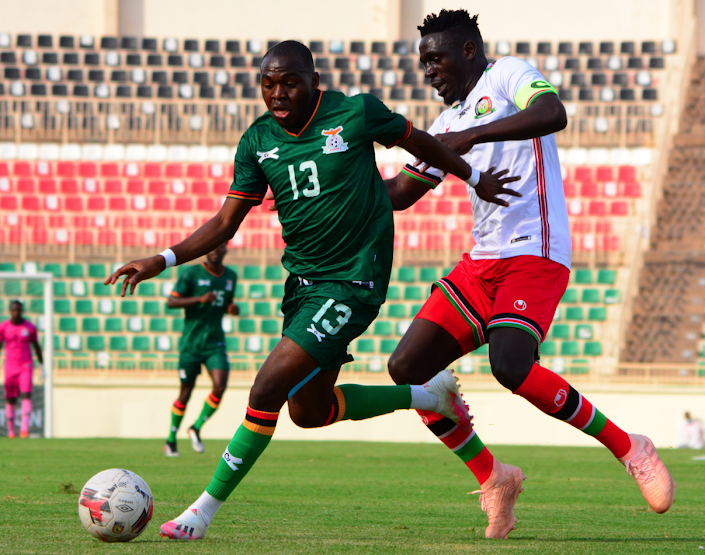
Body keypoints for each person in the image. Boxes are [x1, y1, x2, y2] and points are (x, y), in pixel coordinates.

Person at [105, 40, 521, 541]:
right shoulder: (257, 141)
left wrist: (474, 176)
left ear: (314, 81)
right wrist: (162, 259)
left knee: (265, 389)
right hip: (302, 284)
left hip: (353, 281)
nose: (277, 93)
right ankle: (426, 397)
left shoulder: (355, 112)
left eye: (289, 83)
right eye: (268, 83)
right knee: (310, 411)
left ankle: (200, 514)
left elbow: (422, 143)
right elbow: (224, 222)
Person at [384, 9, 675, 539]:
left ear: (468, 50)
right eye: (423, 62)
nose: (428, 71)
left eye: (436, 58)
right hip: (483, 263)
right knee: (408, 366)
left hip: (537, 252)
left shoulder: (509, 74)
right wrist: (327, 189)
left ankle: (629, 447)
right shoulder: (445, 126)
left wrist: (474, 136)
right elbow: (399, 195)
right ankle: (493, 477)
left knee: (511, 364)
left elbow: (553, 112)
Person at [163, 242, 240, 457]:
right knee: (185, 392)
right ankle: (171, 440)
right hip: (191, 344)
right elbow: (171, 302)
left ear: (225, 249)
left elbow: (226, 302)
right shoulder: (191, 273)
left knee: (220, 385)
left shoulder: (230, 276)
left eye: (219, 247)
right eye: (212, 247)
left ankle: (196, 427)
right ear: (207, 250)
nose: (215, 250)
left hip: (215, 342)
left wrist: (232, 308)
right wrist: (199, 299)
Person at [0, 300, 43, 438]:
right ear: (10, 311)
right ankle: (11, 431)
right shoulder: (4, 327)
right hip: (10, 366)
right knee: (10, 398)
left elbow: (36, 346)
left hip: (26, 365)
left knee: (26, 394)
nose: (16, 313)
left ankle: (24, 429)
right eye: (14, 310)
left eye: (19, 310)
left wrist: (42, 365)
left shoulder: (29, 327)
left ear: (22, 311)